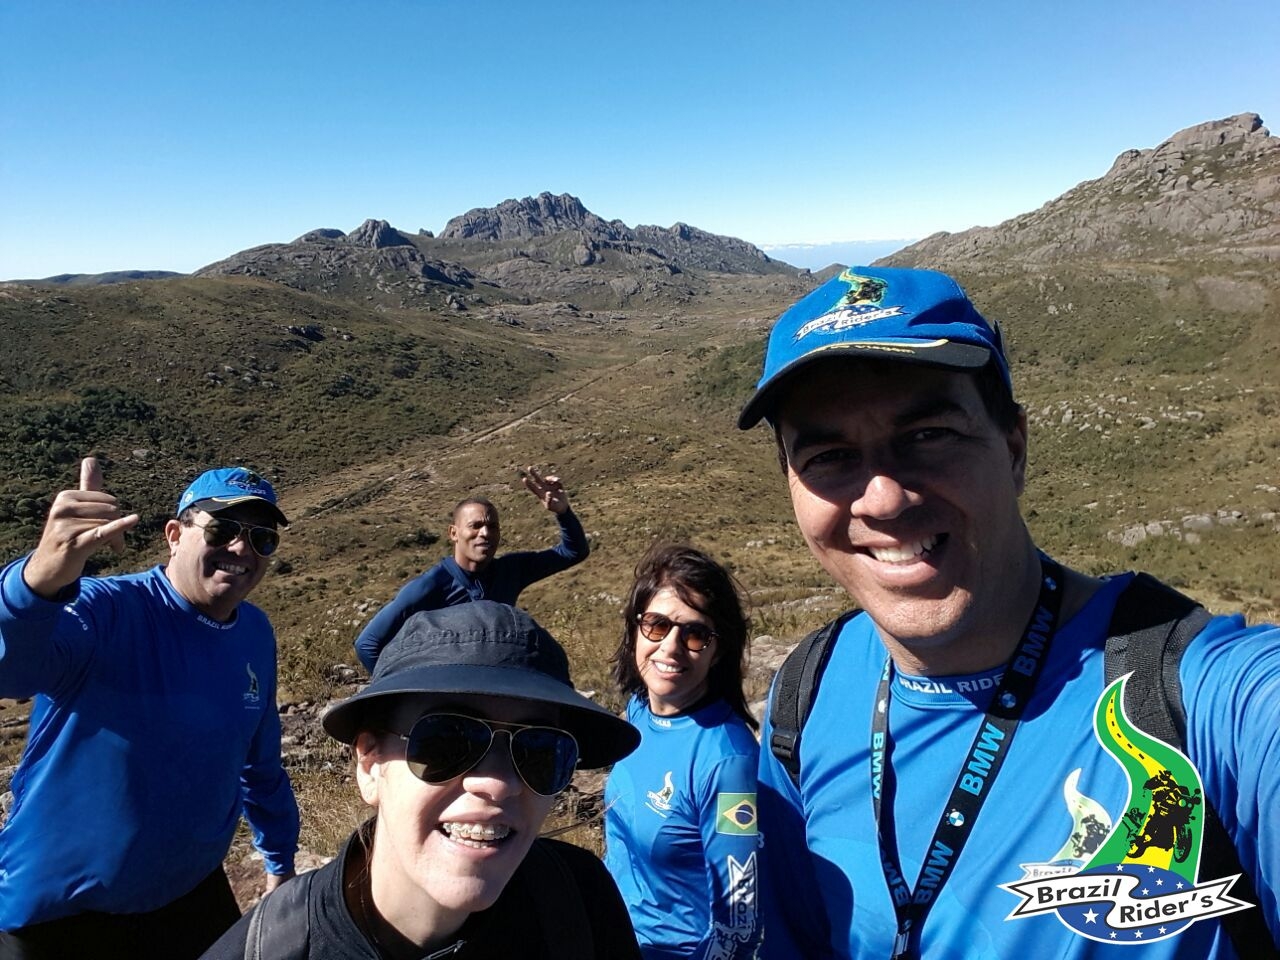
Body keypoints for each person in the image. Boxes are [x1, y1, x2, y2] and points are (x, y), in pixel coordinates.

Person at [737, 266, 1280, 958]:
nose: (883, 499)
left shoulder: (1200, 699)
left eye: (928, 435)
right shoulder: (806, 696)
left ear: (1015, 449)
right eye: (828, 456)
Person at [202, 599, 644, 960]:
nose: (497, 783)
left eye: (541, 750)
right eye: (447, 741)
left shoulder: (578, 900)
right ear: (370, 763)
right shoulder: (269, 950)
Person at [0, 459, 300, 959]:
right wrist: (35, 583)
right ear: (174, 535)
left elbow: (260, 762)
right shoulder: (105, 608)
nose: (241, 548)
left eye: (261, 538)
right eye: (222, 529)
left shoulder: (254, 632)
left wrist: (280, 859)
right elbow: (12, 674)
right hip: (59, 913)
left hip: (189, 894)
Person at [603, 544, 763, 960]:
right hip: (609, 933)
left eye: (695, 634)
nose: (670, 647)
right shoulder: (638, 710)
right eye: (657, 625)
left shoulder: (729, 763)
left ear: (718, 650)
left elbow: (738, 925)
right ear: (636, 629)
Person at [355, 467, 589, 672]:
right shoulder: (431, 586)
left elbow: (573, 552)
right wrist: (405, 690)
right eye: (475, 526)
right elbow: (367, 644)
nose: (485, 533)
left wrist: (563, 512)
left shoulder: (511, 571)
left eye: (492, 526)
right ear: (454, 533)